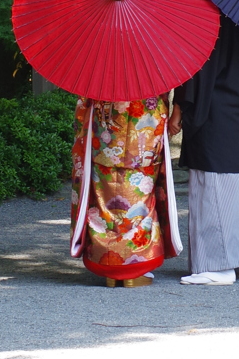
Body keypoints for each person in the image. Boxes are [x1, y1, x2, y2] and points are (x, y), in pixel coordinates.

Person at [172, 14, 239, 286]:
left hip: (217, 108)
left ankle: (218, 266)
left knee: (214, 185)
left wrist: (181, 107)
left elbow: (200, 68)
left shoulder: (209, 15)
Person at [70, 97, 182, 286]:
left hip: (104, 123)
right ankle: (135, 267)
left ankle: (108, 266)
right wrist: (176, 113)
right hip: (145, 123)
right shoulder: (154, 65)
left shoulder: (100, 65)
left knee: (103, 193)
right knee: (139, 195)